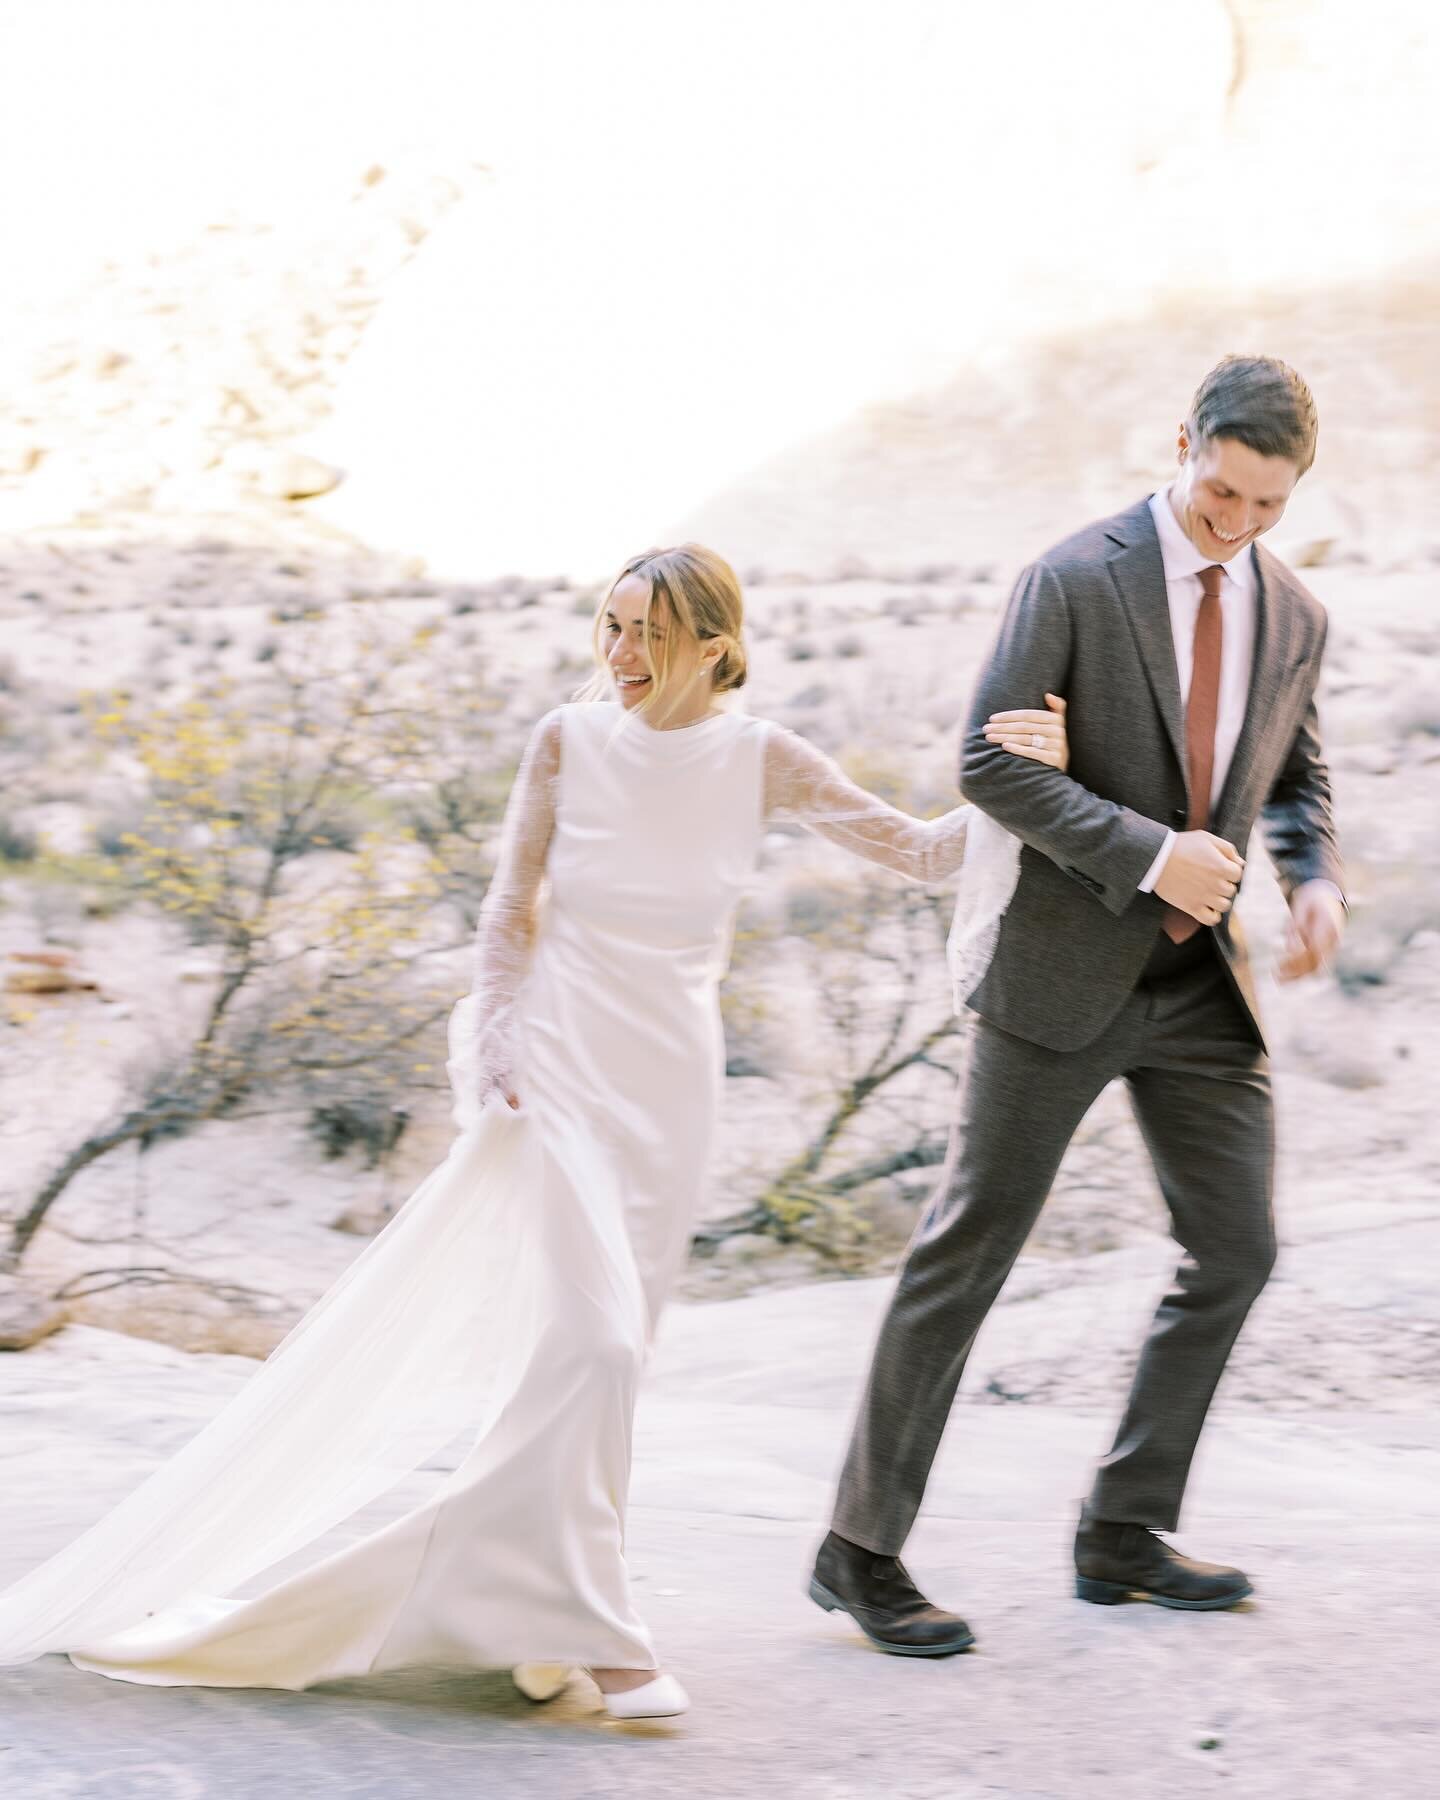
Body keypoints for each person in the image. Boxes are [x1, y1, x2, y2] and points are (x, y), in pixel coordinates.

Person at [0, 544, 1067, 1719]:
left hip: (671, 1085)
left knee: (596, 1367)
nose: (617, 654)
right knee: (591, 1348)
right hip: (554, 1059)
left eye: (645, 633)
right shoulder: (567, 742)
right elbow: (513, 903)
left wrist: (1023, 785)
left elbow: (917, 853)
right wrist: (496, 1036)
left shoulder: (761, 757)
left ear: (712, 644)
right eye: (607, 626)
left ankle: (522, 1614)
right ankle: (595, 1629)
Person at [811, 355, 1346, 1655]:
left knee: (1236, 1252)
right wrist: (1151, 852)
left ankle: (1121, 1531)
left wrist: (1316, 873)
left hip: (1200, 988)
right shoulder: (1071, 577)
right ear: (1183, 445)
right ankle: (860, 1550)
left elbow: (1297, 772)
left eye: (1268, 507)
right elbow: (988, 762)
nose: (1240, 524)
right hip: (1060, 973)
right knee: (969, 1250)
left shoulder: (1299, 615)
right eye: (1223, 493)